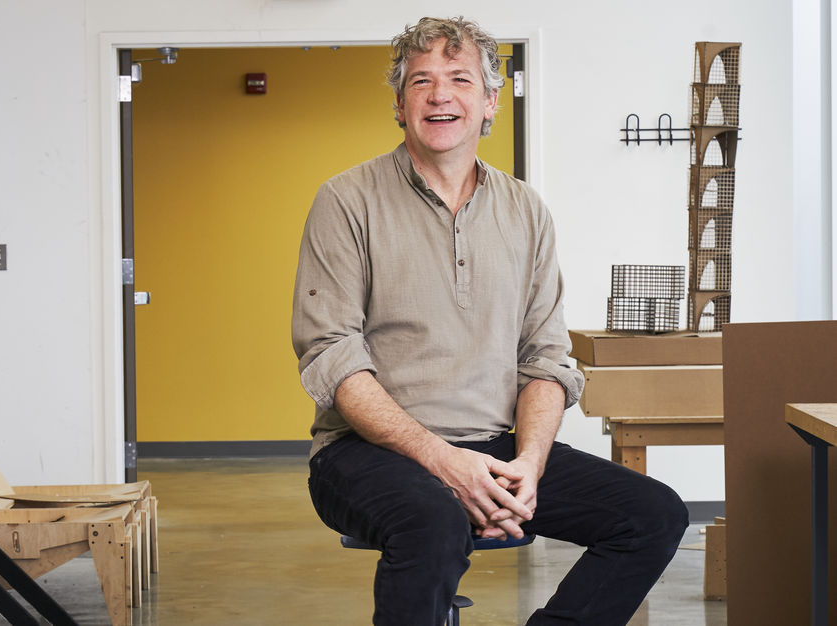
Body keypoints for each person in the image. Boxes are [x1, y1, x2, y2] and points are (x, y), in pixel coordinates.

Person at [291, 16, 688, 626]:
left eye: (459, 79)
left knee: (654, 515)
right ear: (400, 105)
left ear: (489, 103)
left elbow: (546, 360)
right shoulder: (346, 201)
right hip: (365, 453)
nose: (439, 95)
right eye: (420, 82)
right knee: (434, 517)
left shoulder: (526, 210)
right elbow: (332, 356)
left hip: (498, 447)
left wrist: (527, 466)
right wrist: (447, 465)